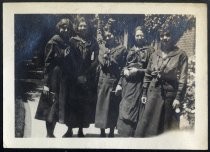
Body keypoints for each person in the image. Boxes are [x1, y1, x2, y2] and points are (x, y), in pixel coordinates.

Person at [134, 27, 188, 137]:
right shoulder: (155, 54)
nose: (165, 38)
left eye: (168, 35)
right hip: (153, 93)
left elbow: (183, 78)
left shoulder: (181, 54)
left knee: (166, 127)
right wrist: (144, 92)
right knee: (148, 126)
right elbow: (148, 74)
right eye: (162, 35)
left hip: (169, 95)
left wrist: (178, 97)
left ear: (173, 37)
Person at [35, 18, 74, 137]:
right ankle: (49, 133)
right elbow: (47, 64)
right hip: (54, 78)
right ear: (59, 27)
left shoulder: (69, 42)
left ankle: (69, 131)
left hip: (66, 78)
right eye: (63, 27)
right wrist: (46, 84)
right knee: (51, 105)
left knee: (64, 104)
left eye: (68, 27)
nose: (66, 29)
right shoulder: (53, 42)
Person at [62, 16, 99, 137]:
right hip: (73, 78)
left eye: (85, 26)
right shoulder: (71, 41)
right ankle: (69, 129)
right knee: (71, 103)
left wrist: (86, 75)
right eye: (80, 25)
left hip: (87, 78)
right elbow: (67, 61)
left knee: (84, 104)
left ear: (88, 27)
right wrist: (76, 76)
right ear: (77, 27)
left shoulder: (92, 41)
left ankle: (81, 130)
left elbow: (96, 60)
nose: (83, 28)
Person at [115, 26, 154, 137]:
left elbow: (151, 69)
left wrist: (138, 71)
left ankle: (135, 134)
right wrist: (119, 83)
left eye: (141, 35)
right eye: (137, 35)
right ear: (134, 36)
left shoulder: (150, 51)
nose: (139, 37)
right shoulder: (130, 50)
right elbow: (124, 67)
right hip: (127, 84)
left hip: (141, 84)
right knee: (125, 106)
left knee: (137, 108)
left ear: (145, 36)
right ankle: (124, 133)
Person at [95, 19, 127, 137]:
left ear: (115, 35)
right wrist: (105, 57)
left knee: (113, 107)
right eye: (106, 36)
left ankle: (112, 131)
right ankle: (102, 131)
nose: (108, 38)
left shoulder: (122, 49)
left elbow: (123, 66)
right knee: (102, 106)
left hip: (114, 80)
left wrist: (120, 83)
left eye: (110, 35)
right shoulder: (102, 47)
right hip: (102, 80)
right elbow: (101, 61)